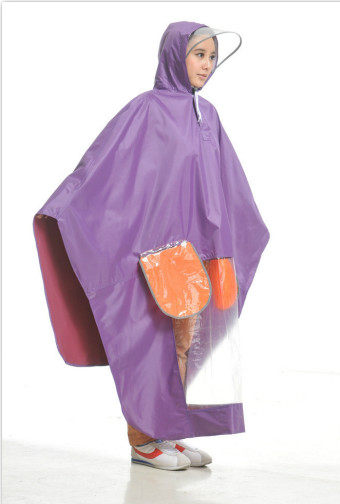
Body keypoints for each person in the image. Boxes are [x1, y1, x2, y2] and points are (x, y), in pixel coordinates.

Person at [34, 22, 269, 472]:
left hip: (201, 250)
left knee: (190, 344)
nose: (207, 65)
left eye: (212, 57)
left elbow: (227, 183)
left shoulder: (208, 115)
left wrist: (246, 229)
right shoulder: (145, 110)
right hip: (159, 253)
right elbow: (106, 166)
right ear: (175, 55)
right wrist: (66, 205)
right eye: (198, 54)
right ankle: (143, 440)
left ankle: (169, 431)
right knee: (152, 342)